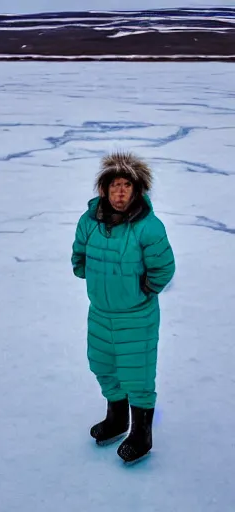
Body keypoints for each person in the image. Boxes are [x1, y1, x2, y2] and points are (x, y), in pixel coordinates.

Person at [71, 151, 175, 463]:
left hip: (136, 315)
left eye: (126, 187)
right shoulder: (89, 221)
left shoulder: (148, 227)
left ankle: (141, 433)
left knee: (137, 373)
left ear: (137, 190)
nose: (119, 193)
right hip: (100, 313)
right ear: (103, 189)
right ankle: (116, 419)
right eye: (114, 186)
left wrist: (146, 289)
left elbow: (164, 268)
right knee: (103, 365)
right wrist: (87, 273)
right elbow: (79, 257)